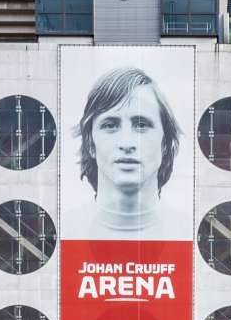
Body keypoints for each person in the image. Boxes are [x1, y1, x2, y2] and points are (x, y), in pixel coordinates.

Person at [74, 66, 181, 237]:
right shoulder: (66, 230)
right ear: (90, 142)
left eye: (141, 125)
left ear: (165, 144)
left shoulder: (187, 231)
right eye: (110, 125)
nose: (126, 143)